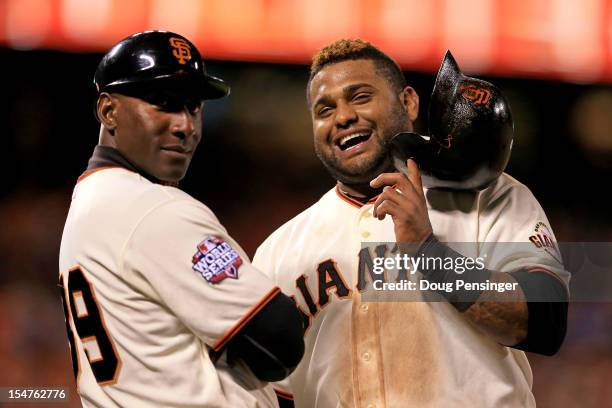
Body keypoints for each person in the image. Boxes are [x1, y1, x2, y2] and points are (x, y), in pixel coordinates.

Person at [253, 39, 569, 407]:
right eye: (325, 109)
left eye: (359, 97)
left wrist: (427, 251)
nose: (342, 117)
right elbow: (276, 394)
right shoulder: (278, 252)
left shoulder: (489, 196)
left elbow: (545, 322)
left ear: (409, 102)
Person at [58, 30, 304, 408]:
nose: (185, 125)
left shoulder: (89, 202)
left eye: (193, 107)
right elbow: (280, 342)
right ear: (108, 111)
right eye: (164, 103)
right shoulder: (151, 207)